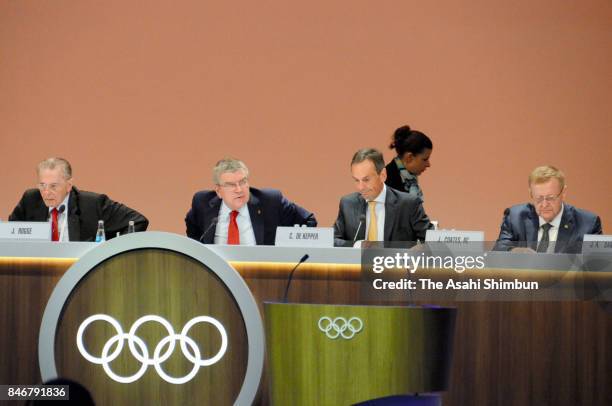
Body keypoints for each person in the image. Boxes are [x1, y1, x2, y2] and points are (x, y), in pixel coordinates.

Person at [9, 157, 148, 241]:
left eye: (53, 186)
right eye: (42, 185)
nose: (46, 192)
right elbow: (9, 233)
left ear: (68, 185)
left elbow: (138, 221)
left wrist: (108, 250)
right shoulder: (31, 200)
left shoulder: (93, 204)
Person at [185, 158, 317, 245]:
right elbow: (193, 233)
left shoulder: (270, 202)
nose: (239, 189)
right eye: (231, 185)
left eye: (242, 182)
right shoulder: (202, 203)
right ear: (218, 191)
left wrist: (287, 250)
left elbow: (309, 221)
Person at [334, 148, 432, 247]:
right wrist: (356, 245)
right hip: (358, 262)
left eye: (366, 180)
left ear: (383, 175)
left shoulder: (408, 204)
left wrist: (420, 250)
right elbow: (332, 240)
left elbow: (433, 242)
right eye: (356, 180)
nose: (360, 187)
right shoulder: (348, 204)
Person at [494, 165, 602, 253]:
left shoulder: (588, 224)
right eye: (539, 198)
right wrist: (515, 251)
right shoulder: (515, 218)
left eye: (550, 198)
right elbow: (498, 251)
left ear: (563, 193)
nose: (544, 204)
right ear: (531, 194)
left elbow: (597, 265)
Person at [385, 125, 433, 201]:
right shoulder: (386, 183)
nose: (428, 164)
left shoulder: (408, 180)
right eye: (425, 159)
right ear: (409, 157)